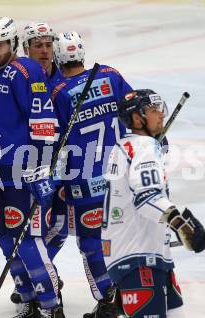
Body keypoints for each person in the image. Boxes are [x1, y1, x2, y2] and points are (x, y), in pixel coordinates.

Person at [97, 89, 205, 318]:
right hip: (139, 258)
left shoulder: (125, 146)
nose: (161, 115)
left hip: (148, 254)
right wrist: (182, 225)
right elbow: (147, 197)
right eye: (153, 110)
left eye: (159, 109)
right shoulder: (144, 147)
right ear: (137, 119)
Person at [0, 17, 64, 317]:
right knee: (5, 238)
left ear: (13, 44)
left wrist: (42, 170)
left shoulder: (25, 71)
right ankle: (28, 297)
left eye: (1, 44)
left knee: (28, 240)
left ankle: (51, 305)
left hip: (24, 172)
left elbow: (44, 123)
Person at [51, 31, 133, 317]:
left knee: (90, 242)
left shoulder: (59, 92)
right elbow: (136, 111)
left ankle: (108, 300)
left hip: (85, 181)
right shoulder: (109, 75)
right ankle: (129, 293)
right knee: (122, 237)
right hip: (122, 175)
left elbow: (52, 139)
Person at [8, 21, 67, 306]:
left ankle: (40, 275)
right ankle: (38, 283)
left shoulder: (65, 77)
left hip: (66, 166)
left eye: (48, 45)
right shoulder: (18, 76)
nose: (44, 51)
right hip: (27, 169)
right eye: (37, 46)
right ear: (25, 48)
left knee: (60, 226)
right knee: (27, 233)